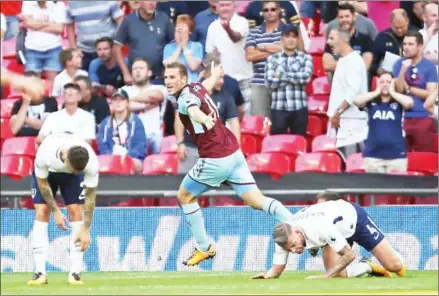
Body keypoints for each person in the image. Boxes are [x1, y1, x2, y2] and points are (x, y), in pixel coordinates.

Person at [164, 61, 295, 266]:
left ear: (183, 79)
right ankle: (299, 227)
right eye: (165, 77)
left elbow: (192, 109)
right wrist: (216, 74)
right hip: (234, 153)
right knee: (257, 200)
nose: (168, 81)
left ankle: (204, 247)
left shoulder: (184, 98)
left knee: (184, 196)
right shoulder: (196, 87)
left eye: (172, 77)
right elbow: (206, 85)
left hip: (215, 158)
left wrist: (203, 119)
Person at [252, 191, 406, 280]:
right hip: (335, 229)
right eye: (290, 248)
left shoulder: (319, 228)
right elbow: (277, 269)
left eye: (293, 245)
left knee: (395, 267)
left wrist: (326, 276)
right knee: (339, 274)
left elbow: (349, 255)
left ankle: (390, 256)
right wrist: (267, 276)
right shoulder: (284, 236)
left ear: (298, 232)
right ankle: (368, 266)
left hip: (354, 219)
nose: (293, 250)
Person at [26, 132, 99, 285]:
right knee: (42, 211)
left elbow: (91, 198)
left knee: (76, 212)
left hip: (70, 179)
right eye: (73, 169)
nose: (75, 172)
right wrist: (56, 211)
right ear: (65, 158)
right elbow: (43, 184)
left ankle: (75, 273)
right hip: (48, 174)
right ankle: (40, 273)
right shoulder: (45, 153)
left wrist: (86, 228)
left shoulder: (90, 161)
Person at [175, 58, 241, 173]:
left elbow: (234, 122)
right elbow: (179, 119)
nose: (221, 81)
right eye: (218, 77)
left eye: (222, 77)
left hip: (215, 152)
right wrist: (180, 143)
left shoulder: (226, 97)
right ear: (206, 75)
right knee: (185, 187)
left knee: (212, 189)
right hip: (190, 150)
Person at [354, 71, 413, 173]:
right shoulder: (371, 101)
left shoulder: (399, 101)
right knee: (374, 188)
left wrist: (393, 92)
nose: (385, 84)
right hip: (373, 156)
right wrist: (376, 92)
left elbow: (409, 103)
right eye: (382, 82)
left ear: (393, 84)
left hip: (397, 156)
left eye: (388, 82)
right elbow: (357, 101)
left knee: (397, 188)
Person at [326, 28, 368, 158]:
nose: (328, 42)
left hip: (350, 124)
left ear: (342, 39)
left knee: (351, 166)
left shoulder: (354, 61)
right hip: (342, 121)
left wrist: (337, 113)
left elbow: (352, 94)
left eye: (332, 38)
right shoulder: (344, 60)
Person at [393, 31, 438, 152]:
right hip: (402, 118)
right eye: (405, 44)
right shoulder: (399, 64)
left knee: (425, 158)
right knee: (401, 160)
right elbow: (398, 90)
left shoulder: (429, 66)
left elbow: (430, 94)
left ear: (420, 46)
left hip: (423, 117)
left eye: (410, 44)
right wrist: (402, 71)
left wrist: (409, 88)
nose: (406, 47)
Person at [206, 1, 253, 114]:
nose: (225, 8)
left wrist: (227, 28)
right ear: (216, 7)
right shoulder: (212, 27)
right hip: (224, 81)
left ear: (234, 6)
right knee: (227, 117)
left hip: (243, 78)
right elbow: (211, 54)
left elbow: (236, 38)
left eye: (228, 5)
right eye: (222, 5)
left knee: (245, 117)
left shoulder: (242, 22)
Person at [265, 24, 313, 136]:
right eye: (287, 36)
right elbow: (270, 82)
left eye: (294, 36)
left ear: (297, 39)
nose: (291, 39)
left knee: (299, 143)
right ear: (282, 39)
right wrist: (295, 75)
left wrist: (281, 75)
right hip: (278, 109)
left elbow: (305, 77)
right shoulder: (272, 59)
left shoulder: (306, 58)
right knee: (277, 144)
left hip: (299, 108)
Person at [114, 1, 174, 85]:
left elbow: (174, 44)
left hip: (160, 76)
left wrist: (168, 68)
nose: (152, 3)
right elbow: (116, 47)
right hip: (137, 78)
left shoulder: (164, 18)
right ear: (140, 2)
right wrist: (126, 73)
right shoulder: (129, 20)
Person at [245, 0, 284, 118]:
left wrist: (262, 47)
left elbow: (287, 49)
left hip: (282, 83)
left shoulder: (287, 29)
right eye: (266, 10)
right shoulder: (254, 32)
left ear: (278, 11)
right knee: (260, 122)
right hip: (259, 83)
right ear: (263, 13)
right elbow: (250, 56)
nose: (270, 12)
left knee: (280, 125)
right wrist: (273, 50)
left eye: (273, 9)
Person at [121, 58, 168, 154]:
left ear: (149, 73)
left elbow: (154, 96)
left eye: (141, 68)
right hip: (130, 134)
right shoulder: (124, 90)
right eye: (135, 69)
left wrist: (129, 100)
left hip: (153, 134)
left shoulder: (160, 88)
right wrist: (144, 106)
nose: (138, 71)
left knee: (158, 140)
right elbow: (119, 107)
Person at [98, 89, 147, 173]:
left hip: (131, 158)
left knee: (137, 164)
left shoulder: (136, 122)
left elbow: (140, 145)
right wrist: (112, 156)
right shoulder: (105, 124)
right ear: (112, 103)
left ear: (127, 102)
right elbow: (102, 146)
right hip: (110, 158)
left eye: (121, 100)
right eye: (115, 100)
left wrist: (126, 156)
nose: (118, 102)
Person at [65, 0, 124, 71]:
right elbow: (69, 25)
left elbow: (120, 21)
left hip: (107, 51)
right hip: (83, 52)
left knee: (109, 80)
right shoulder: (71, 3)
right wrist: (74, 48)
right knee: (86, 79)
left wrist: (115, 45)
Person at [323, 4, 373, 84]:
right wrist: (353, 66)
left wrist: (339, 66)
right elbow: (327, 64)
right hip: (339, 87)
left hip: (360, 88)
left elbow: (365, 66)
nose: (344, 20)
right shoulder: (332, 40)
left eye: (347, 16)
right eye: (341, 17)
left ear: (354, 17)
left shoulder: (365, 39)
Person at [20, 0, 67, 80]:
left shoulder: (59, 4)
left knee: (52, 86)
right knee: (33, 86)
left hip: (53, 48)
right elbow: (28, 23)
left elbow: (59, 28)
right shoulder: (28, 2)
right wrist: (49, 23)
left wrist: (35, 26)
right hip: (32, 48)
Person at [10, 72, 58, 137]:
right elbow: (14, 129)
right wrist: (25, 104)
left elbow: (48, 126)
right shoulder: (18, 104)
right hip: (23, 141)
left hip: (45, 140)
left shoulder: (50, 102)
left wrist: (25, 119)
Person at [371, 9, 412, 76]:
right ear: (390, 23)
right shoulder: (382, 37)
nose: (399, 30)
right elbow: (373, 62)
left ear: (407, 21)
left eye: (402, 27)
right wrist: (378, 70)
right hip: (389, 79)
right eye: (396, 28)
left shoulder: (415, 34)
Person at [163, 14, 203, 83]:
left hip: (191, 84)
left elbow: (193, 66)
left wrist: (184, 46)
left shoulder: (197, 46)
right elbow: (169, 67)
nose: (180, 28)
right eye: (178, 25)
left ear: (190, 31)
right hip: (173, 84)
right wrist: (179, 46)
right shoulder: (168, 47)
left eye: (183, 26)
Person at [419, 2, 438, 68]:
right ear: (424, 17)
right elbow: (413, 58)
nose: (437, 19)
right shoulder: (417, 35)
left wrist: (424, 57)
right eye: (434, 15)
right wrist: (428, 35)